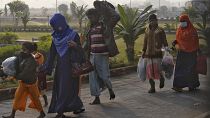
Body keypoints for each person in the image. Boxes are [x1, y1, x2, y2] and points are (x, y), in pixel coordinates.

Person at [44, 13, 85, 118]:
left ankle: (69, 109)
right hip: (61, 67)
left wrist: (75, 45)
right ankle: (65, 110)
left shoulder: (73, 35)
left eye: (56, 25)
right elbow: (52, 53)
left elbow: (81, 51)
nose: (56, 28)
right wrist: (47, 68)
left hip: (72, 66)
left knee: (71, 88)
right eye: (53, 26)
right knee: (62, 88)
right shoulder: (55, 37)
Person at [85, 1, 120, 105]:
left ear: (98, 16)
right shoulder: (90, 29)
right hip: (92, 55)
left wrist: (106, 6)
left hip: (102, 55)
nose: (90, 19)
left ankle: (110, 89)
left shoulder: (106, 25)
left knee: (104, 76)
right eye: (89, 18)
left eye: (92, 17)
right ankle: (96, 98)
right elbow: (87, 44)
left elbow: (116, 16)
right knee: (92, 77)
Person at [2, 42, 46, 118]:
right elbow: (18, 66)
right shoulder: (23, 57)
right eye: (22, 49)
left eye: (24, 49)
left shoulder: (32, 61)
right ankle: (12, 115)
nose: (22, 50)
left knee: (35, 99)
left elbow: (25, 74)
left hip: (31, 83)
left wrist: (14, 76)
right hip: (23, 83)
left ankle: (42, 113)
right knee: (17, 97)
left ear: (29, 51)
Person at [172, 14, 200, 92]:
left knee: (190, 70)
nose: (182, 23)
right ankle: (178, 86)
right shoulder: (179, 30)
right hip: (181, 52)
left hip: (191, 53)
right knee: (179, 69)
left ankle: (192, 85)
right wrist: (175, 42)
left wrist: (198, 50)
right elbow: (179, 39)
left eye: (183, 21)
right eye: (180, 21)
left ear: (187, 21)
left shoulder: (192, 30)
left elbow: (195, 41)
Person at [142, 14, 168, 93]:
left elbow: (164, 40)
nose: (152, 22)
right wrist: (143, 51)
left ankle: (161, 79)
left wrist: (166, 48)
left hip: (157, 53)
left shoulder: (160, 30)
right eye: (150, 21)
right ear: (149, 21)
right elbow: (145, 42)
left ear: (156, 20)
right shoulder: (146, 30)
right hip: (148, 54)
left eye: (154, 20)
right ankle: (152, 87)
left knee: (158, 70)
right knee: (149, 72)